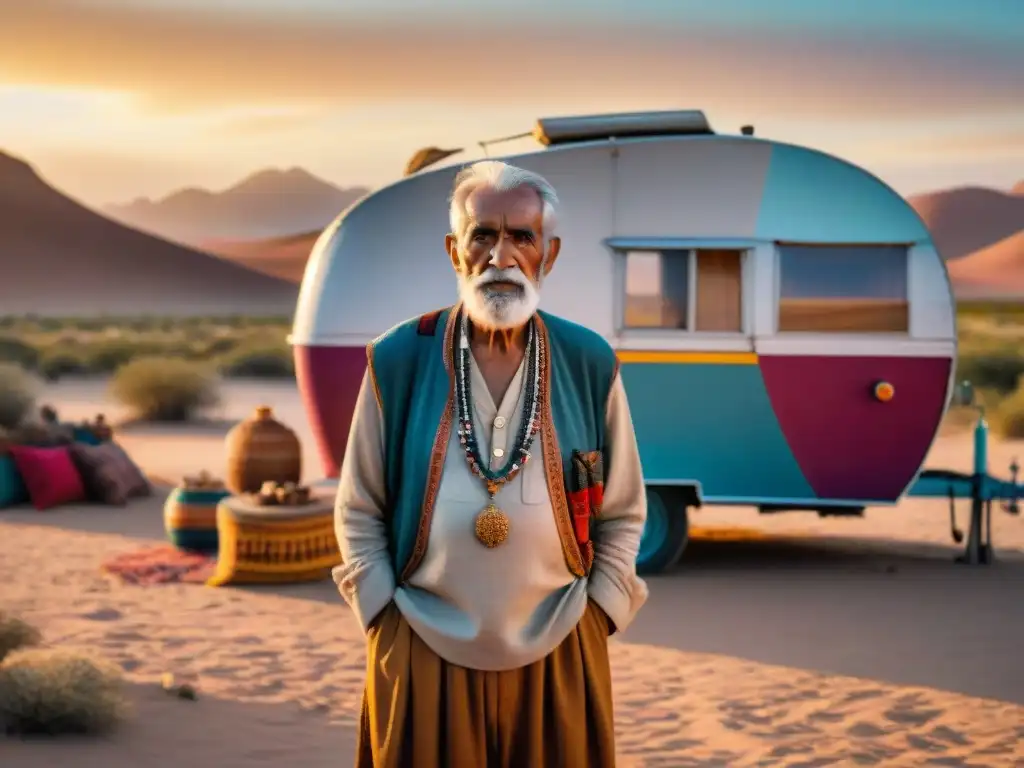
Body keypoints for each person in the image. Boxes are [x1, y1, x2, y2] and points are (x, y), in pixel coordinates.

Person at [333, 159, 649, 768]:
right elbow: (357, 505)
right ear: (456, 251)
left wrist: (599, 615)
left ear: (547, 256)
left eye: (521, 236)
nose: (501, 256)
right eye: (483, 235)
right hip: (422, 642)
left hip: (560, 644)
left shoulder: (588, 361)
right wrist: (382, 617)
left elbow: (624, 510)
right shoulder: (399, 358)